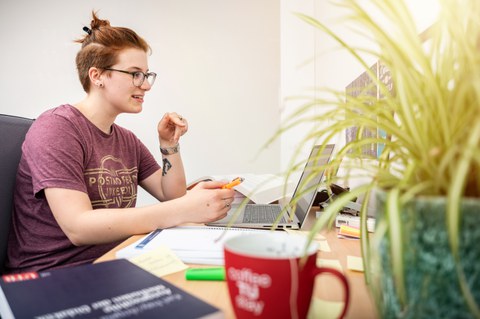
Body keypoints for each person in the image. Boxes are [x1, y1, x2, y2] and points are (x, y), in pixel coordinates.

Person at [5, 11, 235, 273]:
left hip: (112, 262)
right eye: (135, 74)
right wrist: (184, 209)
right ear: (97, 76)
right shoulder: (56, 128)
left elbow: (171, 195)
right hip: (52, 276)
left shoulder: (126, 140)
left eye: (147, 75)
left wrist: (168, 145)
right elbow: (78, 227)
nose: (146, 86)